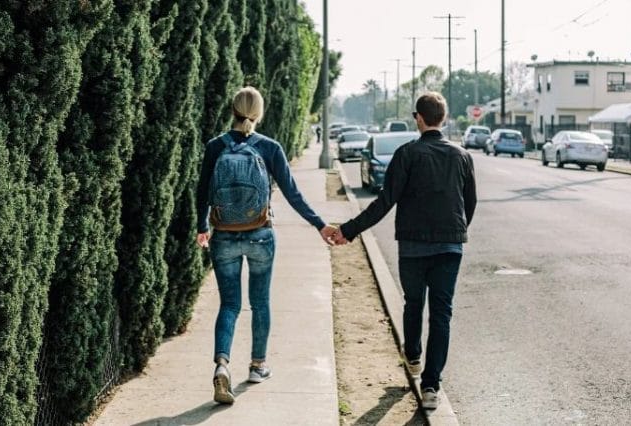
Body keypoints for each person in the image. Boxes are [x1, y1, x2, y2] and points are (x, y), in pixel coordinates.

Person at [332, 91, 477, 410]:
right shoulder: (462, 156)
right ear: (445, 118)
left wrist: (348, 230)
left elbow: (385, 202)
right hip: (450, 246)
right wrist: (455, 231)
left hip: (413, 246)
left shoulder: (407, 154)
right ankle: (431, 387)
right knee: (442, 313)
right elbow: (470, 204)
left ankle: (412, 356)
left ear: (418, 118)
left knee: (413, 303)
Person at [196, 86, 337, 405]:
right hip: (260, 234)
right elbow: (292, 193)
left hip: (225, 235)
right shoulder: (270, 147)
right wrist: (319, 224)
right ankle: (258, 365)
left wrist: (202, 227)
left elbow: (202, 191)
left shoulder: (215, 146)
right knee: (260, 302)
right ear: (259, 113)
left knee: (229, 304)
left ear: (232, 110)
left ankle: (221, 365)